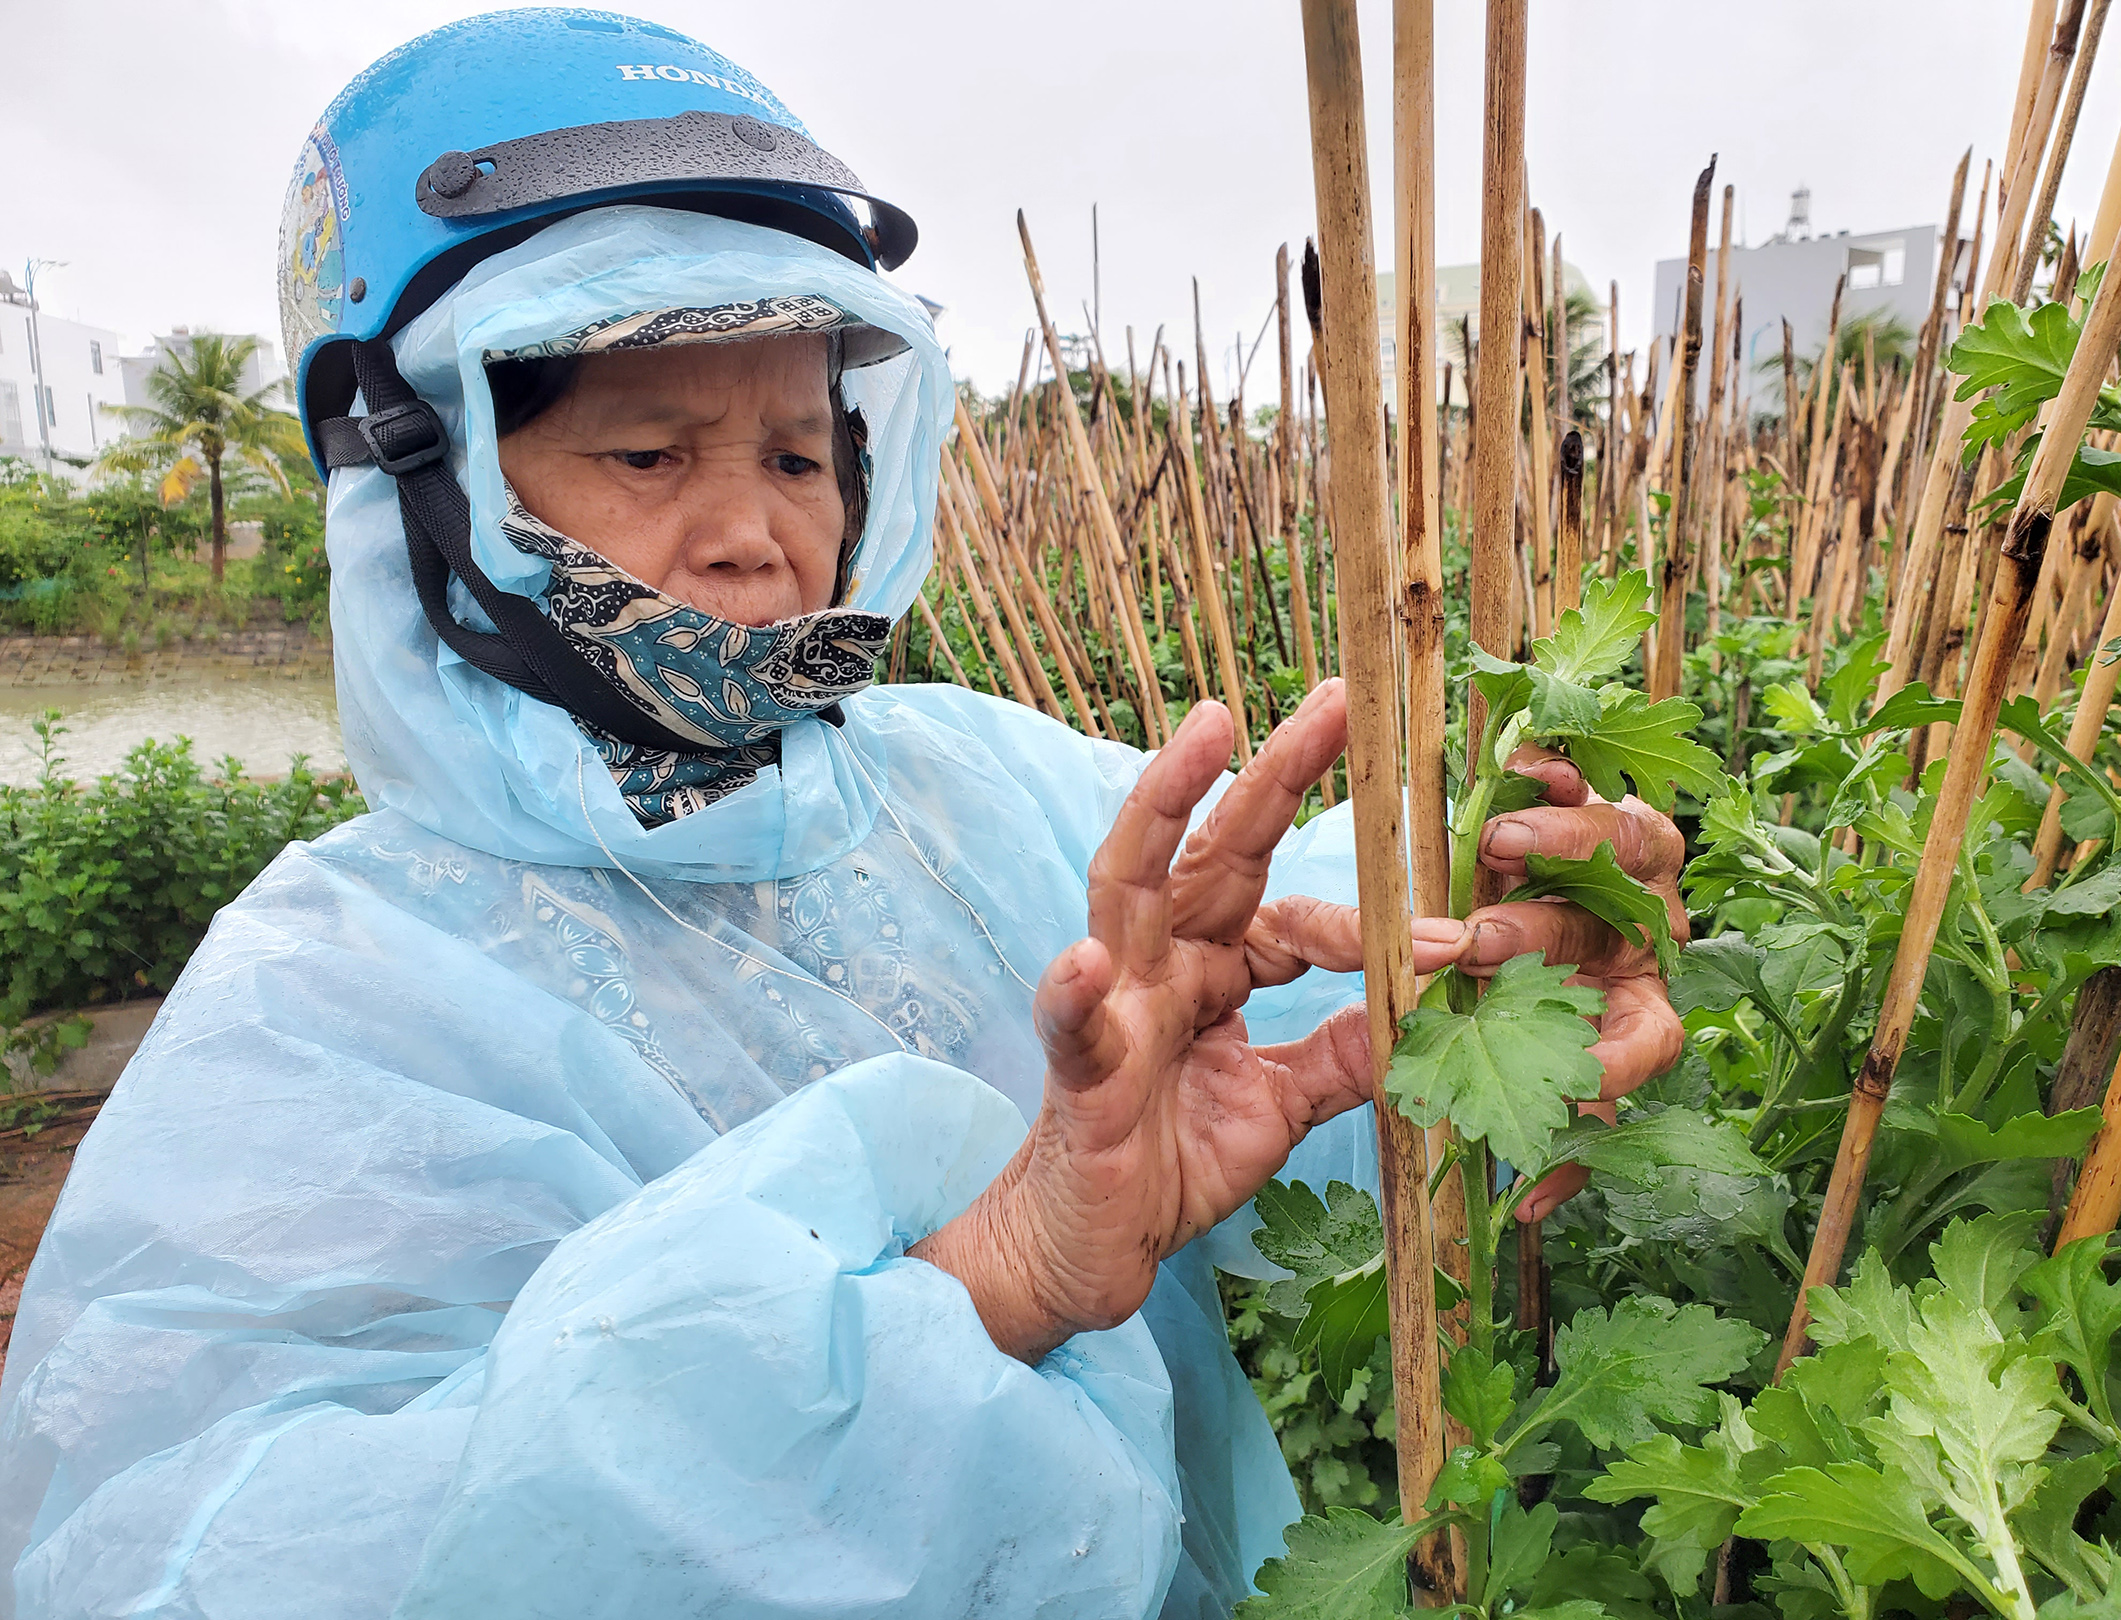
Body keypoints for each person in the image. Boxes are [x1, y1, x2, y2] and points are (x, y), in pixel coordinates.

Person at [0, 13, 1685, 1618]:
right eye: (649, 456)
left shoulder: (978, 795)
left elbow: (1319, 986)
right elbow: (221, 1562)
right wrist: (992, 1279)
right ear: (413, 471)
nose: (754, 535)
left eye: (800, 458)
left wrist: (1515, 956)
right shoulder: (331, 1014)